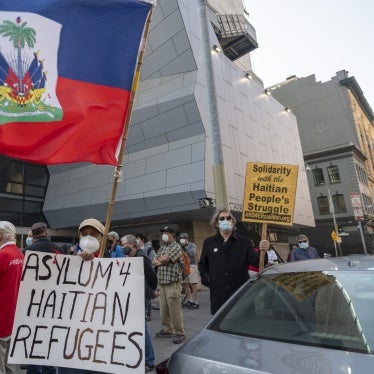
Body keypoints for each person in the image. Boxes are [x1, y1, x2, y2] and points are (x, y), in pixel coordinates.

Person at [198, 208, 269, 315]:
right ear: (217, 223)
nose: (225, 220)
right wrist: (209, 281)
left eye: (228, 218)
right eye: (222, 218)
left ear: (233, 222)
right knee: (219, 325)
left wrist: (263, 251)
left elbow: (256, 262)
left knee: (242, 323)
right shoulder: (209, 242)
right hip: (218, 294)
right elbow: (203, 265)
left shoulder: (245, 242)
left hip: (240, 294)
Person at [26, 222, 63, 374]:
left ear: (32, 236)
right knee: (49, 337)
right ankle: (49, 369)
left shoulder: (29, 250)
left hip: (34, 301)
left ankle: (35, 370)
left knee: (34, 338)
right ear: (46, 233)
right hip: (55, 301)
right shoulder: (59, 250)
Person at [121, 235, 158, 373]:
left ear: (131, 244)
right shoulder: (132, 257)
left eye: (123, 244)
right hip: (133, 295)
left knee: (142, 328)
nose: (122, 246)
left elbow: (152, 276)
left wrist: (150, 291)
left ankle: (149, 360)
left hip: (140, 296)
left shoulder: (141, 257)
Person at [152, 226, 185, 344]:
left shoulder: (176, 246)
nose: (164, 234)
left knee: (174, 308)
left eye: (166, 233)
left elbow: (166, 259)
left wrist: (160, 261)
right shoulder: (163, 247)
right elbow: (154, 260)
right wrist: (160, 260)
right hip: (162, 282)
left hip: (173, 282)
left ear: (172, 235)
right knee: (164, 308)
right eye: (163, 232)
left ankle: (179, 332)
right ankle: (167, 329)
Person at [0, 221, 24, 374]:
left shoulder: (3, 255)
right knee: (9, 363)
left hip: (1, 314)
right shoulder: (20, 255)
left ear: (1, 235)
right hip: (14, 314)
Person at [135, 233, 156, 321]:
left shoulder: (149, 248)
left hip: (147, 274)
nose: (137, 240)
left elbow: (153, 261)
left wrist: (148, 269)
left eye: (138, 238)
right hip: (139, 275)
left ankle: (148, 313)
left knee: (147, 294)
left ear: (142, 239)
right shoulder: (136, 250)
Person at [179, 233, 200, 310]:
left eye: (183, 238)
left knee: (193, 284)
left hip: (192, 266)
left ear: (187, 239)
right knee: (185, 284)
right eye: (181, 238)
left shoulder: (192, 245)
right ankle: (190, 300)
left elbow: (192, 253)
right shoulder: (179, 246)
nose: (182, 240)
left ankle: (196, 302)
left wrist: (185, 246)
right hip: (183, 267)